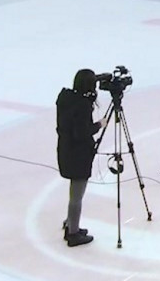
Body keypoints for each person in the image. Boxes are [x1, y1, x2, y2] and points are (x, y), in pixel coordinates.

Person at [55, 69, 101, 247]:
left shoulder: (67, 100)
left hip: (66, 150)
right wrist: (98, 125)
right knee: (77, 195)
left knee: (75, 192)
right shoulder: (82, 106)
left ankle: (70, 222)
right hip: (78, 154)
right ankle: (73, 233)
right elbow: (82, 132)